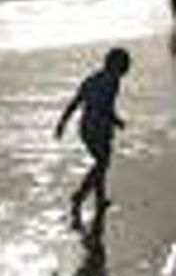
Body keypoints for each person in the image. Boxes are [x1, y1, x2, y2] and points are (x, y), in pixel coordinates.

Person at [55, 47, 132, 229]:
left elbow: (75, 102)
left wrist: (62, 124)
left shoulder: (92, 78)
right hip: (98, 129)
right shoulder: (112, 82)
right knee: (102, 164)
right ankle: (80, 194)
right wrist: (116, 121)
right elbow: (105, 107)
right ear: (117, 65)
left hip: (85, 128)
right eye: (125, 65)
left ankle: (100, 198)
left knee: (101, 161)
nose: (127, 69)